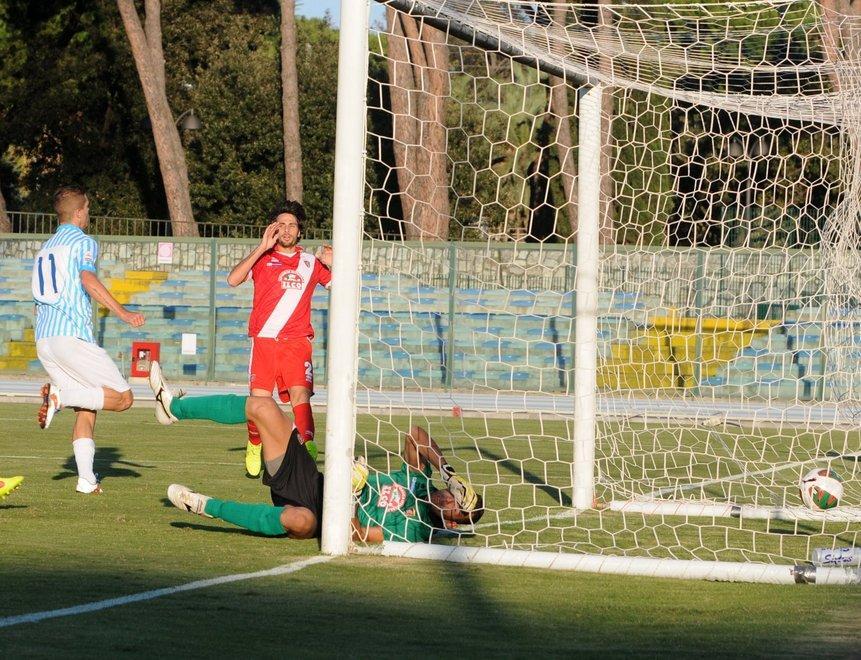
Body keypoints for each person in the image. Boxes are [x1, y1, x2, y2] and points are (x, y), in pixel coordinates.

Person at [150, 362, 483, 540]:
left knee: (300, 520)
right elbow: (416, 435)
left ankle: (204, 505)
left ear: (452, 525)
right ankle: (174, 408)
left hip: (323, 517)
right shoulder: (420, 481)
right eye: (455, 495)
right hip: (311, 483)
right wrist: (447, 471)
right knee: (263, 406)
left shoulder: (416, 529)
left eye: (455, 509)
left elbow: (359, 535)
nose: (448, 500)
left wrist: (352, 497)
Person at [32, 186, 145, 494]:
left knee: (88, 406)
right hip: (71, 336)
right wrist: (123, 313)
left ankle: (86, 479)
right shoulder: (83, 242)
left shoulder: (45, 248)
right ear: (80, 212)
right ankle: (60, 397)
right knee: (123, 398)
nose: (89, 215)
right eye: (88, 209)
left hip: (45, 339)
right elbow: (87, 278)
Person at [226, 201, 332, 479]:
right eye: (281, 225)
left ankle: (307, 445)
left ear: (299, 231)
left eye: (292, 225)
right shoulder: (262, 258)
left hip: (297, 342)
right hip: (264, 341)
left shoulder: (311, 263)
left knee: (301, 395)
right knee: (259, 402)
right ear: (273, 229)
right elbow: (233, 280)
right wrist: (261, 247)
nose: (286, 230)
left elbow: (343, 288)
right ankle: (254, 442)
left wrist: (337, 265)